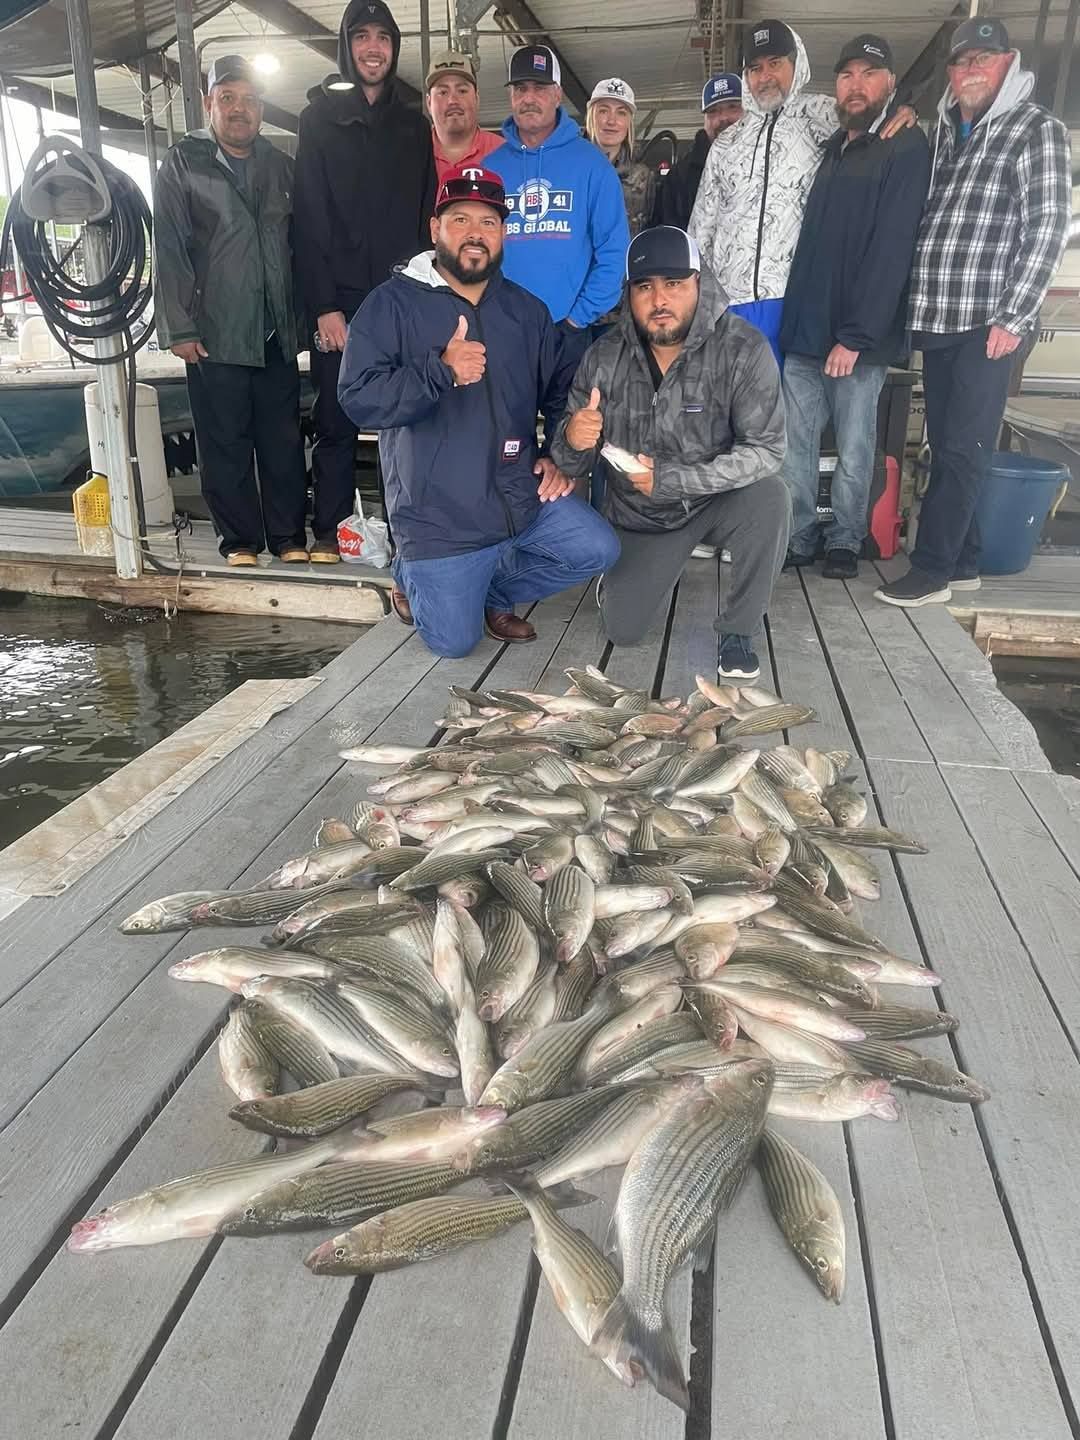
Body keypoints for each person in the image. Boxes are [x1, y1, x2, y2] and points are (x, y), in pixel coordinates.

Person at [337, 165, 620, 658]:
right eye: (461, 220)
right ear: (435, 229)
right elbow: (358, 396)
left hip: (515, 495)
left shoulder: (526, 311)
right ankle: (408, 572)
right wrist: (439, 372)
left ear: (504, 234)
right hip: (437, 517)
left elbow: (560, 390)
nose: (475, 234)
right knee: (454, 643)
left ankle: (494, 591)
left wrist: (558, 451)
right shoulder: (392, 304)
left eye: (488, 223)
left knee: (598, 547)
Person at [876, 17, 1071, 607]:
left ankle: (931, 571)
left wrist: (1014, 316)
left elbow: (1048, 225)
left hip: (989, 320)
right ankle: (963, 562)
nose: (970, 71)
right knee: (954, 444)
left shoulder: (1036, 129)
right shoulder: (945, 131)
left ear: (1008, 63)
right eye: (962, 62)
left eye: (983, 60)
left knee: (961, 449)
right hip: (940, 316)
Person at [550, 227, 789, 682]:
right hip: (641, 517)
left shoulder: (742, 347)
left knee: (770, 497)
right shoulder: (603, 356)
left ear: (699, 282)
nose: (660, 299)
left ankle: (738, 631)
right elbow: (570, 464)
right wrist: (574, 438)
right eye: (645, 287)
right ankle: (629, 580)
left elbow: (766, 450)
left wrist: (673, 480)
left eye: (674, 284)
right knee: (623, 631)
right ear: (630, 294)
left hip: (715, 502)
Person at [780, 35, 930, 580]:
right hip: (805, 330)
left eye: (870, 74)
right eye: (847, 75)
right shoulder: (833, 147)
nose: (857, 85)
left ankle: (845, 537)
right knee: (795, 444)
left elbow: (892, 249)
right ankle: (798, 533)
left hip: (855, 339)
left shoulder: (905, 147)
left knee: (855, 444)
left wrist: (857, 335)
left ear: (890, 84)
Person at [293, 0, 436, 561]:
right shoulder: (318, 119)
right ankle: (329, 529)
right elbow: (308, 218)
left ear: (393, 47)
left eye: (382, 38)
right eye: (361, 38)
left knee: (406, 418)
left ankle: (410, 531)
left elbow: (428, 215)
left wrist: (423, 294)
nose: (373, 48)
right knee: (335, 414)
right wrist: (324, 305)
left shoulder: (413, 121)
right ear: (347, 47)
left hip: (401, 297)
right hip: (342, 300)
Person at [153, 55, 308, 567]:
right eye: (228, 98)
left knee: (283, 440)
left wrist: (305, 319)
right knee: (224, 443)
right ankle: (239, 539)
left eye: (249, 99)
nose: (240, 109)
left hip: (275, 331)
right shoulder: (183, 163)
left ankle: (288, 537)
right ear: (209, 103)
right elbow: (170, 247)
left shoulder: (281, 165)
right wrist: (179, 325)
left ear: (260, 107)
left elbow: (300, 248)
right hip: (216, 332)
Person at [690, 20, 913, 367]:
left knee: (780, 416)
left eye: (775, 63)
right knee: (724, 413)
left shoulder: (824, 116)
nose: (765, 77)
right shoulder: (727, 142)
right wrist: (698, 301)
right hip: (726, 305)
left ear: (798, 64)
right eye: (755, 68)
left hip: (791, 304)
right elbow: (703, 224)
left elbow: (868, 112)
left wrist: (905, 110)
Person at [487, 45, 630, 371]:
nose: (529, 97)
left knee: (568, 423)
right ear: (511, 97)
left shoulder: (592, 165)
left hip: (568, 332)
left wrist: (577, 320)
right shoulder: (491, 169)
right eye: (520, 88)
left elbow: (613, 252)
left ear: (558, 94)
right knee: (504, 424)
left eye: (540, 88)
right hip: (502, 334)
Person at [660, 74, 742, 229]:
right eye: (713, 111)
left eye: (733, 107)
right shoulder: (680, 176)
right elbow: (673, 234)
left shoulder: (771, 163)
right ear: (704, 120)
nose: (723, 118)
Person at [585, 78, 656, 237]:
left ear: (629, 122)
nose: (612, 121)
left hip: (624, 260)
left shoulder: (643, 177)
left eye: (621, 113)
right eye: (603, 111)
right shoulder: (568, 166)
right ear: (591, 116)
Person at [425, 49, 502, 184]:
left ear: (477, 98)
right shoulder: (410, 156)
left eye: (462, 91)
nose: (452, 100)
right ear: (429, 102)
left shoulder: (503, 152)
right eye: (443, 92)